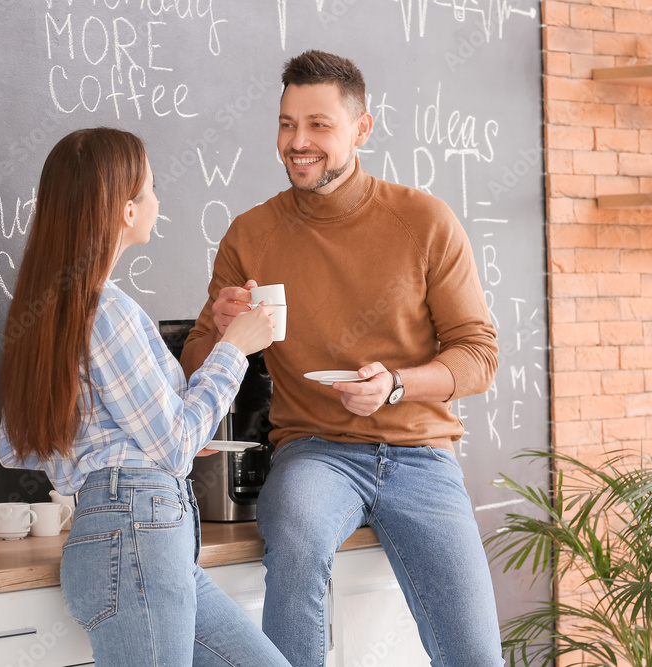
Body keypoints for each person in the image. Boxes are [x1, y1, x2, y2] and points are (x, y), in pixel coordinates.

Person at [181, 51, 504, 666]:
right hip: (315, 451)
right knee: (296, 542)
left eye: (318, 125)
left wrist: (398, 385)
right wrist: (224, 331)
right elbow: (199, 367)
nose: (297, 142)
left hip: (421, 457)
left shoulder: (424, 221)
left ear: (362, 129)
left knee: (476, 656)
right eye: (286, 124)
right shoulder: (251, 236)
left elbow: (479, 355)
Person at [0, 127, 290, 667]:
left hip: (137, 537)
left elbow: (20, 448)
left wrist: (162, 438)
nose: (159, 200)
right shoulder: (108, 312)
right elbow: (174, 446)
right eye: (151, 189)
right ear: (126, 210)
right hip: (138, 536)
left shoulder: (52, 311)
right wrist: (235, 349)